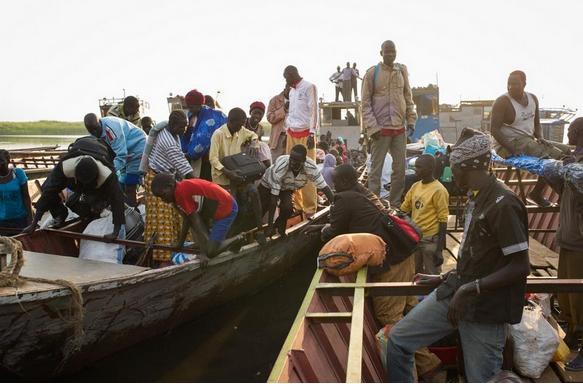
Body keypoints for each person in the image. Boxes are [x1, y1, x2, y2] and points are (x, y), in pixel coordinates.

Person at [387, 130, 530, 382]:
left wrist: (470, 289)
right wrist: (444, 279)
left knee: (482, 379)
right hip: (457, 292)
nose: (452, 175)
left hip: (485, 309)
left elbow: (520, 266)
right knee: (398, 341)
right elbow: (478, 257)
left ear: (469, 167)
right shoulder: (476, 197)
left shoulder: (504, 204)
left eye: (455, 169)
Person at [303, 163, 442, 380]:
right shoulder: (363, 193)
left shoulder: (343, 198)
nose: (333, 185)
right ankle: (431, 367)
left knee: (388, 315)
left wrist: (320, 231)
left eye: (337, 182)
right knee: (407, 308)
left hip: (392, 260)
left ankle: (427, 367)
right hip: (405, 254)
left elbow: (335, 230)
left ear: (347, 182)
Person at [491, 70, 571, 206]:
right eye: (508, 84)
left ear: (524, 84)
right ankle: (563, 196)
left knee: (566, 151)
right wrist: (511, 149)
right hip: (508, 144)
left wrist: (540, 137)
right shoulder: (502, 102)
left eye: (515, 84)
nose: (511, 87)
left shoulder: (533, 98)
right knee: (556, 157)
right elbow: (494, 130)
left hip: (528, 140)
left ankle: (537, 193)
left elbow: (536, 123)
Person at [22, 141, 126, 239]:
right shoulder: (64, 168)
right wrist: (34, 223)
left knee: (90, 201)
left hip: (100, 152)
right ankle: (60, 214)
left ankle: (94, 213)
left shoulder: (107, 175)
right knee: (47, 188)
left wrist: (115, 232)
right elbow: (48, 193)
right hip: (79, 154)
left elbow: (118, 200)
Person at [362, 40, 417, 207]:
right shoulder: (372, 73)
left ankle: (394, 205)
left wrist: (411, 119)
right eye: (387, 52)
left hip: (399, 128)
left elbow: (408, 97)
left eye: (393, 52)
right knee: (375, 172)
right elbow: (364, 104)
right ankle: (375, 205)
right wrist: (372, 127)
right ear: (381, 53)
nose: (390, 55)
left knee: (400, 170)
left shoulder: (402, 70)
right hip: (380, 130)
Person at [150, 173, 242, 265]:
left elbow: (196, 222)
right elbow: (187, 220)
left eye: (163, 195)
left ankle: (237, 239)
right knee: (206, 244)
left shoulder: (180, 192)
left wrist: (202, 253)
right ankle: (215, 243)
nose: (163, 200)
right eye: (160, 198)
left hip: (226, 207)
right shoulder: (177, 193)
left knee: (210, 252)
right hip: (212, 208)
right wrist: (180, 244)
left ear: (170, 186)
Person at [141, 110, 195, 264]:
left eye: (186, 126)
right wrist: (201, 187)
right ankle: (163, 258)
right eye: (182, 127)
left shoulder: (169, 130)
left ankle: (181, 247)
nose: (184, 130)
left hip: (167, 179)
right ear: (173, 125)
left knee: (177, 214)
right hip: (157, 181)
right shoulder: (168, 142)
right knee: (162, 220)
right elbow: (184, 166)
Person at [208, 108, 266, 244]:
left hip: (238, 174)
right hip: (223, 178)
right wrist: (228, 173)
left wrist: (254, 143)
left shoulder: (240, 130)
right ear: (230, 121)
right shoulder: (218, 134)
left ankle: (260, 230)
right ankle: (227, 239)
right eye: (240, 124)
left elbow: (253, 135)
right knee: (231, 207)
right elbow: (213, 159)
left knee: (254, 192)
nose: (241, 127)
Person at [554, 118, 583, 371]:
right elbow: (564, 193)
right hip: (568, 238)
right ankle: (573, 332)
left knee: (579, 296)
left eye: (572, 131)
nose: (568, 134)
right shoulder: (573, 160)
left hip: (580, 242)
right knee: (567, 295)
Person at [259, 144, 333, 237]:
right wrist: (269, 226)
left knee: (288, 208)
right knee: (261, 209)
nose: (292, 163)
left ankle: (279, 226)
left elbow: (325, 188)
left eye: (296, 161)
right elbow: (273, 201)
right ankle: (260, 230)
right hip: (267, 185)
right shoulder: (282, 166)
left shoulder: (311, 168)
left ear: (303, 161)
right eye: (291, 159)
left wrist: (335, 205)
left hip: (286, 187)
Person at [400, 154, 449, 274]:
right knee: (414, 274)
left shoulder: (439, 190)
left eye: (419, 167)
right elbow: (404, 209)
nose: (415, 169)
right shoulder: (415, 186)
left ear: (429, 169)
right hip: (416, 238)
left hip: (430, 241)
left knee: (432, 276)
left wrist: (439, 249)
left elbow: (443, 220)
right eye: (415, 166)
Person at [84, 113, 146, 206]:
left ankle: (132, 212)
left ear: (99, 122)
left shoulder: (111, 129)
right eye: (91, 131)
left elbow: (121, 155)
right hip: (126, 152)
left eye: (96, 129)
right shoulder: (94, 131)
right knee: (121, 182)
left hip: (138, 147)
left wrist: (107, 171)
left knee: (130, 184)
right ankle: (125, 207)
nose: (95, 133)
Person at [283, 65, 319, 217]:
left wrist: (312, 133)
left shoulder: (309, 86)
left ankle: (310, 208)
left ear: (292, 75)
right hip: (292, 133)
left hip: (306, 133)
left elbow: (314, 111)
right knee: (292, 170)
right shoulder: (291, 91)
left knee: (308, 170)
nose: (286, 82)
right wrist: (286, 130)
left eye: (286, 78)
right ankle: (298, 205)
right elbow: (291, 113)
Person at [181, 89, 228, 180]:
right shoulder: (192, 114)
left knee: (204, 183)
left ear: (199, 105)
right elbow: (186, 135)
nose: (189, 109)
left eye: (191, 107)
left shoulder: (209, 118)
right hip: (196, 157)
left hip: (210, 159)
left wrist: (188, 154)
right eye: (188, 107)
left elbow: (201, 143)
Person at [0, 150, 32, 235]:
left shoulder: (18, 173)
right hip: (2, 222)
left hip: (20, 220)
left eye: (1, 161)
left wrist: (30, 221)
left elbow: (26, 197)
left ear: (8, 161)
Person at [245, 101, 272, 166]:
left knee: (263, 145)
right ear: (250, 113)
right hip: (242, 146)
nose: (257, 116)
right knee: (263, 145)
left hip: (254, 149)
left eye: (260, 114)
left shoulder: (261, 128)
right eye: (255, 113)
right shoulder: (244, 122)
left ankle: (268, 166)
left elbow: (258, 142)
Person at [267, 86, 289, 161]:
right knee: (276, 165)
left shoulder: (298, 101)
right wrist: (284, 109)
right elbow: (270, 118)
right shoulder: (275, 100)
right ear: (285, 88)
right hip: (279, 138)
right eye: (290, 88)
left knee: (289, 165)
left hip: (292, 137)